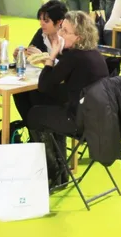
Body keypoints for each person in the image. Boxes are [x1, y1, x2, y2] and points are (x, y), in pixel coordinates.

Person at [26, 11, 109, 186]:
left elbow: (44, 84)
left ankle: (53, 171)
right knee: (50, 108)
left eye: (65, 31)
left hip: (79, 121)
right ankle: (61, 170)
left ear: (78, 37)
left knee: (34, 115)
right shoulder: (95, 54)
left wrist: (52, 54)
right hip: (98, 119)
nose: (60, 34)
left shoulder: (73, 57)